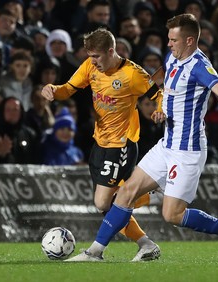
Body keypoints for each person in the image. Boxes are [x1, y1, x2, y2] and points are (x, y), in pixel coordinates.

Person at [65, 14, 218, 263]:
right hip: (166, 144)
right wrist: (161, 109)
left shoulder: (199, 65)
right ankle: (95, 252)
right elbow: (167, 88)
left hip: (187, 150)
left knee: (172, 215)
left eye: (173, 40)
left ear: (189, 40)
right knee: (126, 193)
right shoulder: (173, 57)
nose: (168, 44)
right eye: (168, 39)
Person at [41, 28, 162, 262]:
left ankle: (150, 194)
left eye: (96, 56)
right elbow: (68, 89)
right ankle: (146, 243)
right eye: (90, 56)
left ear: (110, 51)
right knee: (108, 206)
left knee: (103, 202)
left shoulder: (132, 74)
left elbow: (158, 94)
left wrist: (159, 110)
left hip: (122, 144)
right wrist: (54, 90)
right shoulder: (90, 67)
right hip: (100, 143)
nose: (92, 61)